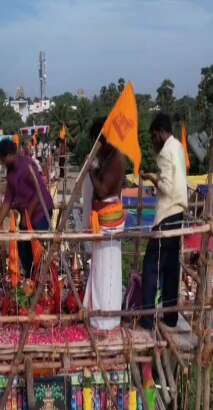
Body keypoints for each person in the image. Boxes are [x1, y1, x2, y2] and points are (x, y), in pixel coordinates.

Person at [139, 113, 188, 330]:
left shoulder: (166, 152)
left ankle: (148, 318)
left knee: (150, 266)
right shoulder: (177, 147)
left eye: (153, 137)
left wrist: (150, 177)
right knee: (170, 267)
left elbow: (167, 187)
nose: (153, 142)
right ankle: (170, 317)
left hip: (167, 214)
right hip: (178, 213)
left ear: (160, 132)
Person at [82, 117, 126, 332]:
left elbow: (101, 190)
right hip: (102, 219)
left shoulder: (117, 157)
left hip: (109, 220)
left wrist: (90, 168)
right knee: (99, 270)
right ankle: (97, 317)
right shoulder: (108, 156)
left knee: (107, 273)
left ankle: (106, 321)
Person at [0, 138, 55, 277]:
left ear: (9, 155)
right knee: (23, 249)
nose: (3, 164)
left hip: (40, 212)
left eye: (3, 161)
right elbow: (8, 200)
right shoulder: (10, 174)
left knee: (37, 249)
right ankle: (29, 280)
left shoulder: (28, 166)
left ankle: (41, 281)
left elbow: (39, 191)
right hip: (26, 216)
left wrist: (27, 215)